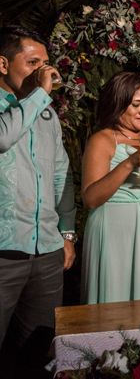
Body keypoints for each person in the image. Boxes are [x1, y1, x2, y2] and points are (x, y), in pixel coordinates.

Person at [0, 26, 76, 373]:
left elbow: (61, 173)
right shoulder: (31, 105)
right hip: (3, 252)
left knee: (40, 354)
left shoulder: (46, 114)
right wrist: (38, 96)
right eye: (32, 63)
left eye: (46, 64)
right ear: (3, 64)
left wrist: (67, 233)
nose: (44, 72)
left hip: (46, 252)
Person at [81, 71, 140, 303]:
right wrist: (130, 162)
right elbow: (91, 198)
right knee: (116, 301)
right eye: (136, 105)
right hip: (117, 232)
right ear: (118, 104)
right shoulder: (102, 140)